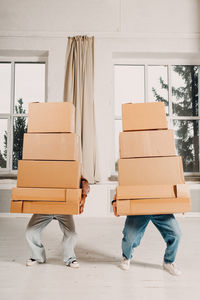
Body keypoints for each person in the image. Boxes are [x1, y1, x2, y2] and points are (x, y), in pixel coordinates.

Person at [25, 177, 90, 268]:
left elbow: (84, 182)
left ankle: (70, 258)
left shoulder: (70, 166)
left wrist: (84, 197)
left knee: (71, 234)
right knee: (30, 232)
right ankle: (37, 257)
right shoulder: (40, 166)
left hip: (63, 207)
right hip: (44, 207)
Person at [112, 195, 182, 276]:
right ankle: (126, 257)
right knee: (129, 238)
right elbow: (125, 184)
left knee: (176, 234)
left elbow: (175, 184)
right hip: (138, 207)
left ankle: (169, 261)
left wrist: (182, 202)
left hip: (160, 207)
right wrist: (115, 201)